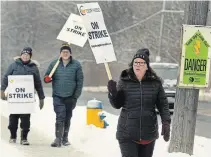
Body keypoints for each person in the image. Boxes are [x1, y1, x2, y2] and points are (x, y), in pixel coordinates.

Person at [107, 48, 171, 157]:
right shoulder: (124, 81)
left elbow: (163, 104)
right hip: (127, 133)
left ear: (147, 66)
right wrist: (113, 93)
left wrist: (166, 122)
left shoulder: (155, 83)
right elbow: (117, 105)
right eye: (136, 62)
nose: (138, 65)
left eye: (141, 63)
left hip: (148, 133)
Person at [1, 47, 45, 145]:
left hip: (26, 99)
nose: (25, 56)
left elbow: (38, 83)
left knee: (25, 120)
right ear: (21, 55)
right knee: (13, 119)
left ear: (30, 57)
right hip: (15, 98)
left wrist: (41, 97)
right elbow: (5, 78)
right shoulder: (13, 65)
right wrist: (2, 90)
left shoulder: (34, 68)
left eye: (27, 55)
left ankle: (24, 138)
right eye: (23, 55)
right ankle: (13, 136)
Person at [44, 43, 84, 147]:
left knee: (67, 117)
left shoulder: (76, 65)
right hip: (58, 95)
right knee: (60, 116)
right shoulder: (54, 64)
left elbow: (80, 81)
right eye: (63, 52)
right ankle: (57, 139)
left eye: (67, 52)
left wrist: (76, 96)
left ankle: (65, 138)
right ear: (60, 54)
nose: (65, 53)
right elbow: (47, 76)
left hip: (70, 96)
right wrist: (47, 79)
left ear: (70, 53)